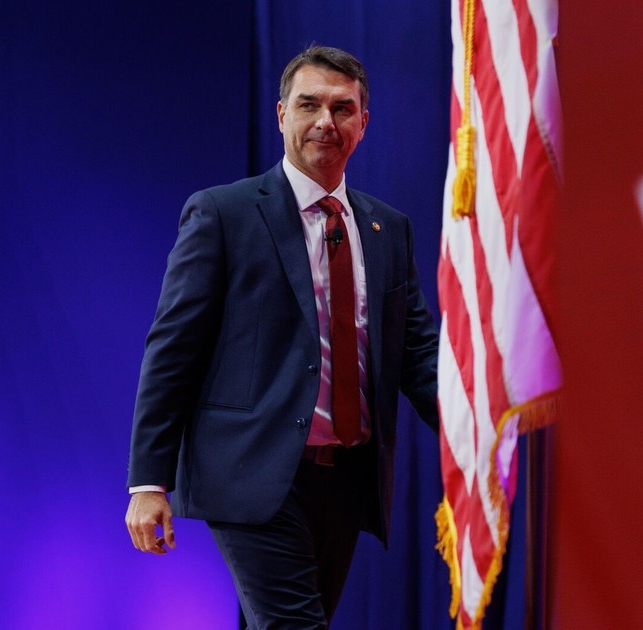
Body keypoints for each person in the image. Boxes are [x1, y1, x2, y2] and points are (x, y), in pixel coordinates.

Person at [125, 44, 439, 629]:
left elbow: (417, 353)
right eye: (309, 105)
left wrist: (476, 431)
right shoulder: (224, 213)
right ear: (281, 115)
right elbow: (172, 350)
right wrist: (148, 481)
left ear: (364, 123)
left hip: (347, 478)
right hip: (250, 472)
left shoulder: (387, 228)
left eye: (343, 109)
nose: (326, 121)